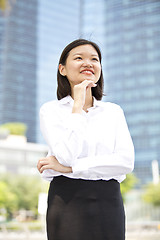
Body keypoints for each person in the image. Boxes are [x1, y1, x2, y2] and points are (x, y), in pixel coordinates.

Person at [37, 39, 134, 240]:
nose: (88, 63)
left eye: (94, 59)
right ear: (62, 69)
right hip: (66, 200)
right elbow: (66, 156)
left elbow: (125, 162)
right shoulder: (51, 111)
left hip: (109, 201)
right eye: (79, 58)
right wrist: (77, 105)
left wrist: (72, 168)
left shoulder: (113, 112)